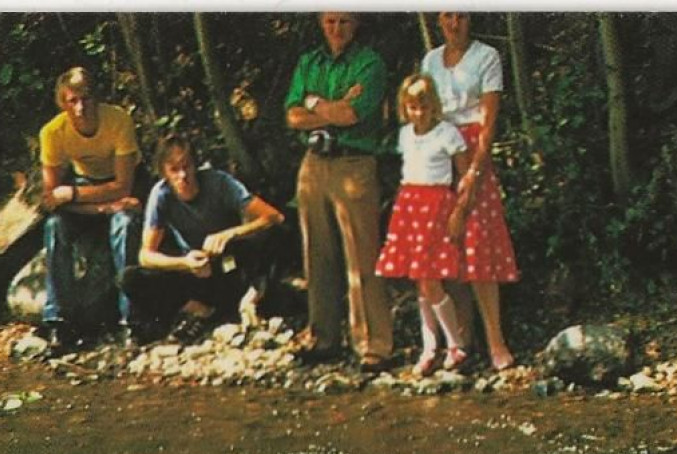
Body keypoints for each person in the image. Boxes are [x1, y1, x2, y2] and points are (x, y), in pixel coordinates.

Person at [284, 11, 393, 373]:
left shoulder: (370, 64)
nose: (336, 28)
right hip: (314, 163)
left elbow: (353, 115)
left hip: (354, 163)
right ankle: (323, 337)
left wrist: (315, 103)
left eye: (344, 21)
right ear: (320, 22)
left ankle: (373, 344)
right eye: (330, 21)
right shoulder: (308, 61)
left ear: (357, 23)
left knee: (362, 255)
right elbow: (292, 115)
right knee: (317, 253)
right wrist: (325, 107)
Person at [422, 11, 520, 371]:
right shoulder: (430, 59)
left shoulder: (486, 57)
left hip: (472, 151)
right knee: (447, 245)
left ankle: (497, 341)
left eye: (461, 15)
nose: (454, 22)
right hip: (438, 153)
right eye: (447, 15)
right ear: (439, 19)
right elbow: (425, 114)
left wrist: (474, 171)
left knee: (479, 243)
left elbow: (488, 124)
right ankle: (461, 341)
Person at [120, 133, 284, 338]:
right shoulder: (161, 195)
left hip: (231, 263)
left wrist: (230, 234)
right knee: (130, 278)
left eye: (186, 166)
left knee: (274, 237)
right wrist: (184, 263)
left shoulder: (219, 182)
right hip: (196, 272)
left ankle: (252, 298)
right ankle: (202, 311)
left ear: (194, 165)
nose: (183, 176)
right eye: (174, 170)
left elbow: (273, 217)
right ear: (164, 174)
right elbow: (146, 255)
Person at [37, 66, 143, 355]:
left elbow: (122, 186)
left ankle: (130, 321)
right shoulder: (52, 133)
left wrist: (72, 194)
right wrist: (101, 207)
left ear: (96, 97)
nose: (81, 107)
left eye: (86, 98)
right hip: (89, 191)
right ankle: (58, 321)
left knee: (124, 224)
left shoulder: (118, 120)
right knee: (54, 227)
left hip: (114, 184)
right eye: (73, 101)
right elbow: (51, 199)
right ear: (63, 103)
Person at [374, 75, 473, 378]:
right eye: (412, 107)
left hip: (435, 207)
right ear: (406, 107)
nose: (419, 113)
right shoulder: (405, 135)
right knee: (420, 281)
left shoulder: (447, 134)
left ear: (434, 106)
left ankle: (455, 344)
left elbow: (465, 176)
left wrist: (458, 211)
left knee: (430, 280)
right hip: (409, 206)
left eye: (424, 107)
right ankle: (430, 347)